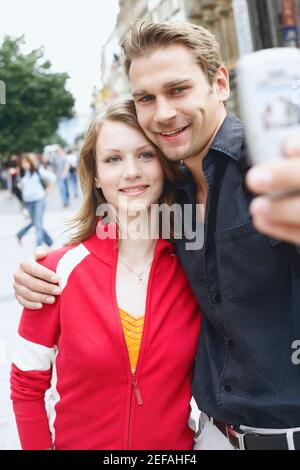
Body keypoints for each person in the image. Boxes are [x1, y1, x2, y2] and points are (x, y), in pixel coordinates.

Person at [13, 21, 300, 450]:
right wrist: (43, 269)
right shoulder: (176, 197)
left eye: (178, 89)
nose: (163, 112)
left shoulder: (270, 169)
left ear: (219, 82)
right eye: (146, 98)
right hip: (211, 438)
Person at [11, 99, 201, 450]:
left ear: (163, 164)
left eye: (145, 154)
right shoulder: (54, 272)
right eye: (114, 159)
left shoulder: (194, 269)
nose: (131, 172)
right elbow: (26, 385)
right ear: (96, 173)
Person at [16, 153, 56, 247]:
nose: (24, 164)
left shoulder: (37, 171)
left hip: (38, 200)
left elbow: (53, 178)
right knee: (36, 222)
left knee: (38, 224)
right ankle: (49, 241)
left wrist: (47, 191)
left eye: (26, 162)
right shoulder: (21, 174)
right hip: (27, 202)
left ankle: (38, 246)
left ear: (30, 163)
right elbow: (21, 188)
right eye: (23, 163)